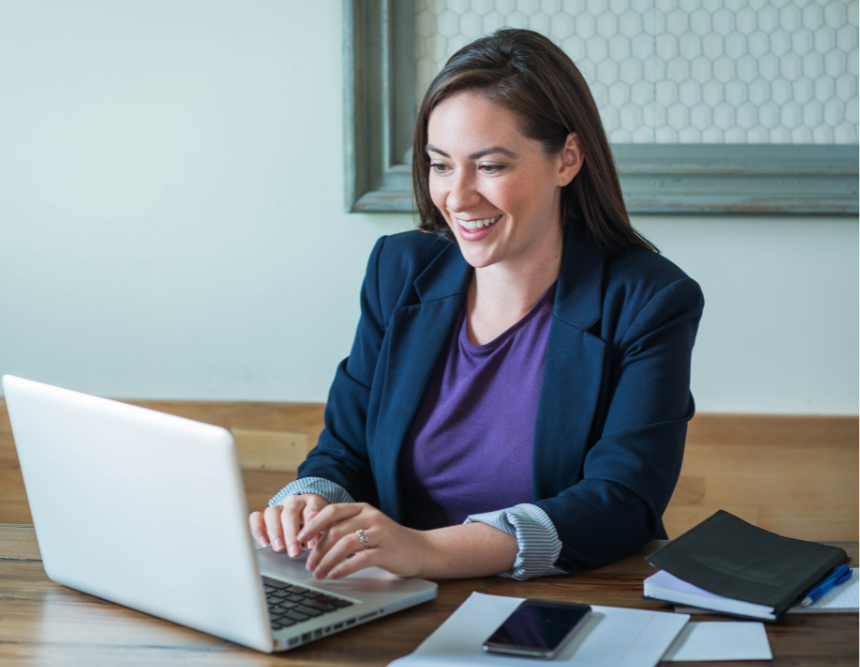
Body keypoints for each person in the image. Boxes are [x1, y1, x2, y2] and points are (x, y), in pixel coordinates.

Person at [249, 29, 703, 582]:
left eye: (489, 166)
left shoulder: (648, 300)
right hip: (396, 602)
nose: (457, 197)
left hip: (565, 607)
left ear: (567, 159)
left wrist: (426, 551)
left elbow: (621, 502)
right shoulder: (400, 271)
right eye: (441, 165)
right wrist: (307, 500)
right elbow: (345, 451)